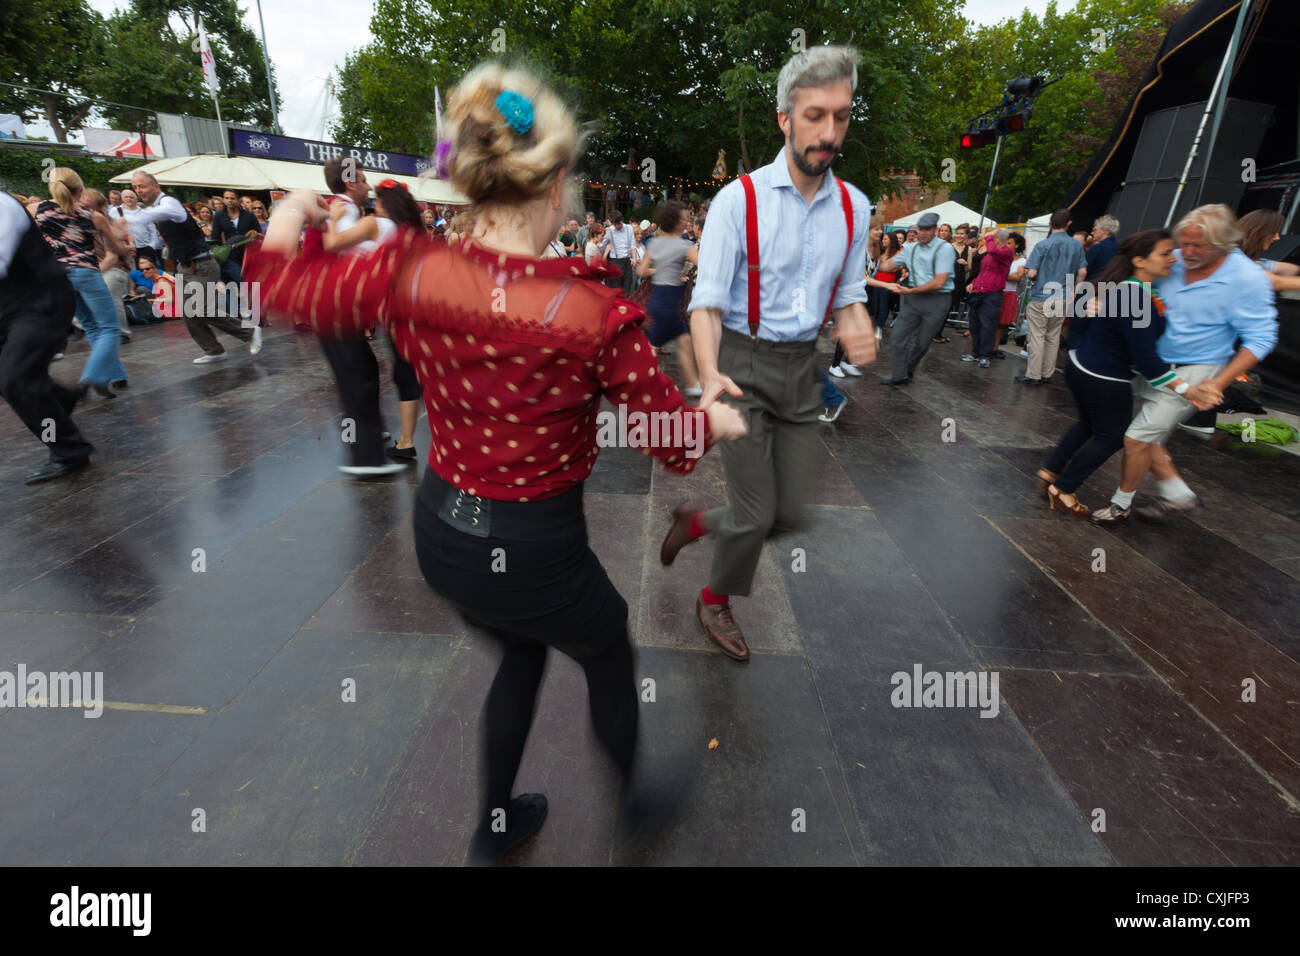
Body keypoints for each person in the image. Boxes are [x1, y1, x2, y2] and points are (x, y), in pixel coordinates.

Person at [246, 61, 747, 865]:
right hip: (537, 547)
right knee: (607, 646)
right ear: (553, 185)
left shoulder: (409, 268)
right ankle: (638, 807)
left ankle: (495, 827)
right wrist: (715, 418)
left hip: (443, 530)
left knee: (518, 650)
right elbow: (672, 445)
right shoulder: (593, 311)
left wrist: (293, 211)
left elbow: (280, 287)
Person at [662, 44, 875, 658]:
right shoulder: (739, 201)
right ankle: (715, 602)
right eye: (814, 115)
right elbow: (705, 303)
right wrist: (708, 376)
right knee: (756, 515)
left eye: (840, 116)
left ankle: (698, 521)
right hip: (741, 364)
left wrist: (855, 320)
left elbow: (849, 293)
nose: (828, 131)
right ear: (785, 118)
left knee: (791, 515)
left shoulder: (855, 207)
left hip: (804, 367)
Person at [1108, 205, 1277, 521]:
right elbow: (1138, 285)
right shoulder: (1172, 261)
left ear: (1224, 243)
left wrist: (1220, 381)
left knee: (1136, 438)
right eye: (1182, 243)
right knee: (1148, 437)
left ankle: (1119, 506)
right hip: (1152, 365)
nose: (1186, 252)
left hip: (1198, 370)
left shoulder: (1246, 278)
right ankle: (1180, 496)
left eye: (1198, 245)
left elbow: (1261, 338)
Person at [1038, 229, 1217, 521]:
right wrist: (1189, 390)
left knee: (1088, 425)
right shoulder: (1137, 298)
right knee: (1111, 436)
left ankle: (1049, 470)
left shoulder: (1132, 290)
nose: (1173, 259)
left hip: (1083, 366)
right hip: (1105, 377)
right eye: (1165, 253)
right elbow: (1148, 364)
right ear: (1140, 261)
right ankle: (1063, 489)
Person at [322, 177, 428, 465]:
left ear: (385, 204)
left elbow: (332, 244)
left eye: (377, 200)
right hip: (417, 308)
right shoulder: (412, 231)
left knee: (400, 372)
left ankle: (404, 442)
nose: (373, 203)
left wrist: (333, 218)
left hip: (394, 310)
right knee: (410, 372)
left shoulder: (376, 224)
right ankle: (408, 439)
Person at [0, 191, 96, 484]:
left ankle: (69, 450)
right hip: (7, 306)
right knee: (14, 377)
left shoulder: (3, 206)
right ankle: (62, 398)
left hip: (42, 302)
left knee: (16, 380)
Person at [128, 171, 261, 363]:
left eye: (141, 186)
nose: (138, 191)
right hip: (184, 267)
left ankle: (249, 331)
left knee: (201, 308)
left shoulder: (169, 204)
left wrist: (129, 218)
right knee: (187, 311)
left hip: (203, 265)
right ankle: (214, 350)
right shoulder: (157, 210)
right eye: (135, 188)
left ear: (155, 186)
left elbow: (155, 214)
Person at [34, 168, 132, 397]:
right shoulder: (92, 216)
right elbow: (117, 249)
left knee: (90, 325)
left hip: (58, 277)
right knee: (109, 329)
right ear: (80, 189)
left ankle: (112, 376)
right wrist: (125, 247)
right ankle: (93, 376)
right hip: (85, 273)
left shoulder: (41, 211)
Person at [636, 199, 701, 397]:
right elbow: (705, 265)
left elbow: (640, 270)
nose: (687, 222)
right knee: (661, 346)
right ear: (675, 221)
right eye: (684, 219)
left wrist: (659, 269)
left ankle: (692, 385)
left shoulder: (655, 243)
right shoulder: (683, 246)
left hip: (659, 300)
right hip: (667, 303)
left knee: (681, 342)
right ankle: (641, 383)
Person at [881, 211, 954, 385]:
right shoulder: (910, 248)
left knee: (922, 344)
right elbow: (886, 267)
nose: (922, 232)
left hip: (937, 300)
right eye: (920, 229)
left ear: (935, 230)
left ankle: (907, 370)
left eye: (927, 229)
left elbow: (939, 282)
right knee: (897, 338)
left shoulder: (945, 249)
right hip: (912, 300)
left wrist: (909, 292)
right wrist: (872, 250)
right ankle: (899, 375)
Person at [1018, 208, 1086, 386]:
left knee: (1037, 336)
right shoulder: (1077, 245)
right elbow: (1083, 272)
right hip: (1063, 296)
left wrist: (1034, 276)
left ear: (1049, 224)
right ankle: (1047, 373)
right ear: (1069, 224)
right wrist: (1074, 292)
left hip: (1042, 295)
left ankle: (1034, 374)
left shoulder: (1042, 245)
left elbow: (1032, 273)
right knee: (1053, 336)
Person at [84, 188, 135, 347]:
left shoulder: (110, 225)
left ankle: (121, 332)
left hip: (115, 267)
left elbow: (114, 255)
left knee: (110, 292)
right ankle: (97, 329)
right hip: (97, 266)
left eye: (89, 207)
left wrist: (129, 245)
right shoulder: (83, 224)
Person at [962, 227, 1013, 368]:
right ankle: (975, 353)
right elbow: (982, 272)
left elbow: (993, 250)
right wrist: (973, 283)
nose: (986, 239)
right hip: (979, 291)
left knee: (988, 325)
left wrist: (989, 237)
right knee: (975, 324)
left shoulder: (1006, 252)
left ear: (998, 238)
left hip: (992, 294)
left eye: (991, 238)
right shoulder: (991, 254)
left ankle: (985, 355)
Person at [1239, 209, 1300, 292]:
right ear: (1256, 231)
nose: (1277, 238)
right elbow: (1275, 282)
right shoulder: (1232, 257)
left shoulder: (1253, 261)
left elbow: (1292, 269)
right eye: (1273, 232)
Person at [118, 189, 163, 266]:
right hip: (127, 249)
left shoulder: (143, 212)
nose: (128, 199)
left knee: (150, 271)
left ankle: (179, 278)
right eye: (126, 197)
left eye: (131, 197)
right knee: (133, 273)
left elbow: (153, 230)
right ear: (122, 199)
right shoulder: (116, 211)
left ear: (136, 199)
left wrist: (151, 246)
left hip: (145, 247)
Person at [600, 210, 637, 295]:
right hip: (614, 262)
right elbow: (602, 246)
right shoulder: (610, 231)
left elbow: (633, 245)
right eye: (614, 224)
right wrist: (603, 255)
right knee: (615, 290)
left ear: (622, 220)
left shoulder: (629, 228)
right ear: (612, 223)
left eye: (618, 223)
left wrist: (634, 258)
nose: (617, 226)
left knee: (626, 289)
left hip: (627, 261)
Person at [1085, 215, 1119, 281]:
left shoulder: (1097, 248)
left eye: (1095, 229)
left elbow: (1084, 271)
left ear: (1104, 231)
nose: (1092, 232)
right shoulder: (1120, 249)